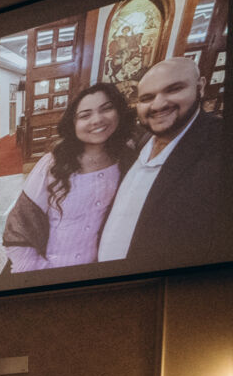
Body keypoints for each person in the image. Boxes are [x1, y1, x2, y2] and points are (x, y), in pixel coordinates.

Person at [97, 57, 227, 265]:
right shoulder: (142, 141)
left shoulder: (220, 146)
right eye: (147, 98)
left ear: (200, 87)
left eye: (173, 89)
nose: (158, 104)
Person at [1, 82, 132, 272]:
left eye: (106, 109)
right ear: (73, 123)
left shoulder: (125, 159)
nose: (97, 119)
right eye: (85, 115)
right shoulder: (53, 163)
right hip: (47, 270)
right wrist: (39, 272)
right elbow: (20, 225)